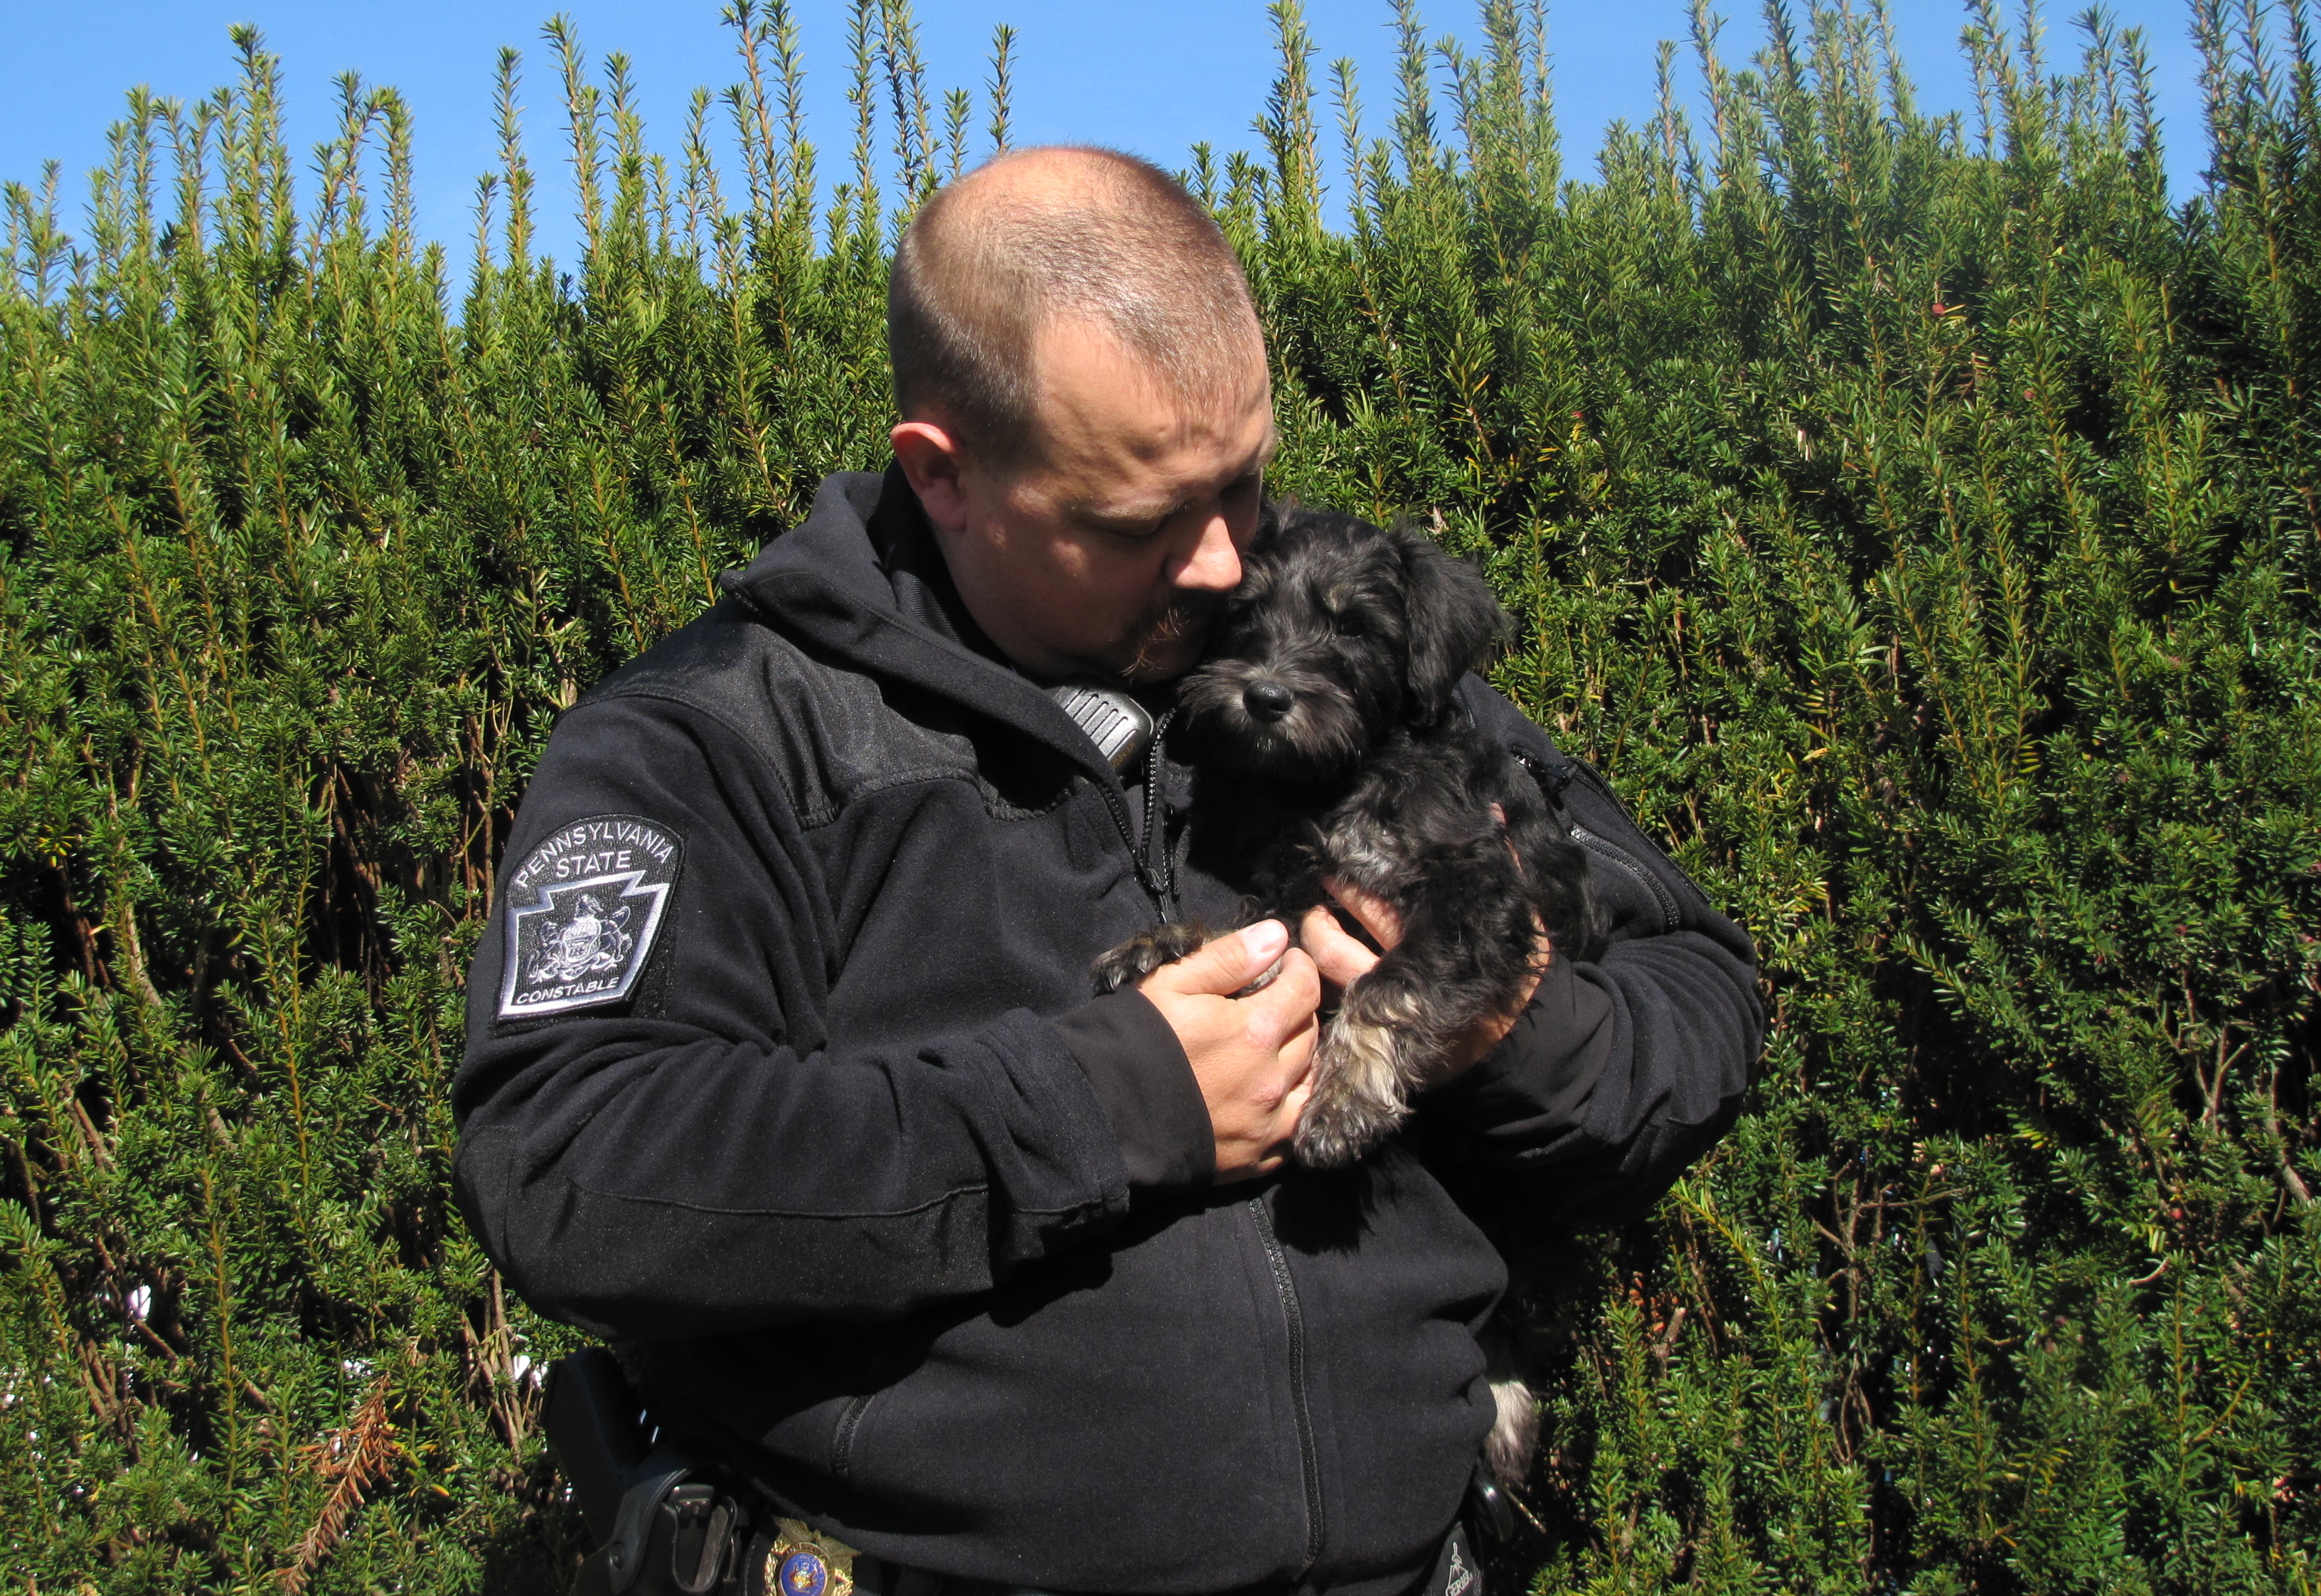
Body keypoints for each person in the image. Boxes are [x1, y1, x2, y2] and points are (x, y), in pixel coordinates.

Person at [452, 146, 1761, 1596]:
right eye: (1141, 522)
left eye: (1245, 485)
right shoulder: (726, 739)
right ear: (943, 478)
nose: (1220, 570)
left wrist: (1507, 1021)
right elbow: (568, 1165)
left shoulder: (1347, 662)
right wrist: (1104, 1105)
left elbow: (1700, 998)